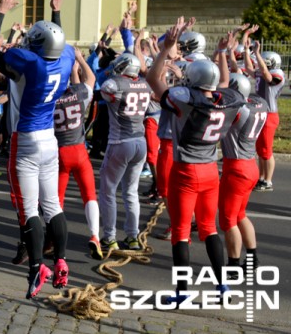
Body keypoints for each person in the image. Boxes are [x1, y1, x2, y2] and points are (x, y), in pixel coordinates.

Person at [0, 0, 74, 299]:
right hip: (50, 138)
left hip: (27, 138)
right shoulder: (66, 57)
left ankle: (37, 268)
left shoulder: (28, 65)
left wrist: (0, 11)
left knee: (29, 209)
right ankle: (61, 258)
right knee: (54, 205)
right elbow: (56, 40)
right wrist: (56, 13)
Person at [146, 20, 244, 301]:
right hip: (212, 170)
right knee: (209, 228)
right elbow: (223, 84)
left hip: (186, 170)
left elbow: (154, 80)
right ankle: (222, 285)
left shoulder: (184, 99)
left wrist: (164, 51)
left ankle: (182, 292)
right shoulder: (226, 98)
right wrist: (223, 54)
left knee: (180, 232)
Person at [98, 52, 153, 253]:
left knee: (108, 191)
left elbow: (104, 88)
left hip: (121, 141)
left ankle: (110, 237)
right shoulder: (145, 84)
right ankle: (132, 237)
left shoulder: (114, 84)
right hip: (140, 141)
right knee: (131, 192)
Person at [52, 49, 101, 259]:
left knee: (57, 200)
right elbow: (90, 78)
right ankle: (95, 236)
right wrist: (79, 59)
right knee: (89, 196)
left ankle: (56, 241)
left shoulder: (50, 99)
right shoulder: (80, 93)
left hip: (59, 152)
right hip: (79, 151)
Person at [220, 73, 267, 275]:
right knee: (240, 215)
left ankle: (232, 265)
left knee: (228, 220)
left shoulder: (237, 110)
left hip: (237, 167)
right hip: (250, 164)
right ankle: (252, 257)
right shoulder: (259, 103)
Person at [248, 42, 285, 192]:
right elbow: (251, 69)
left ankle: (268, 181)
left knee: (266, 149)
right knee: (260, 149)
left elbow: (266, 73)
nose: (262, 64)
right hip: (261, 112)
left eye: (265, 61)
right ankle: (262, 177)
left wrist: (256, 54)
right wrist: (246, 51)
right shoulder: (263, 72)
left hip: (270, 114)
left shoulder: (278, 74)